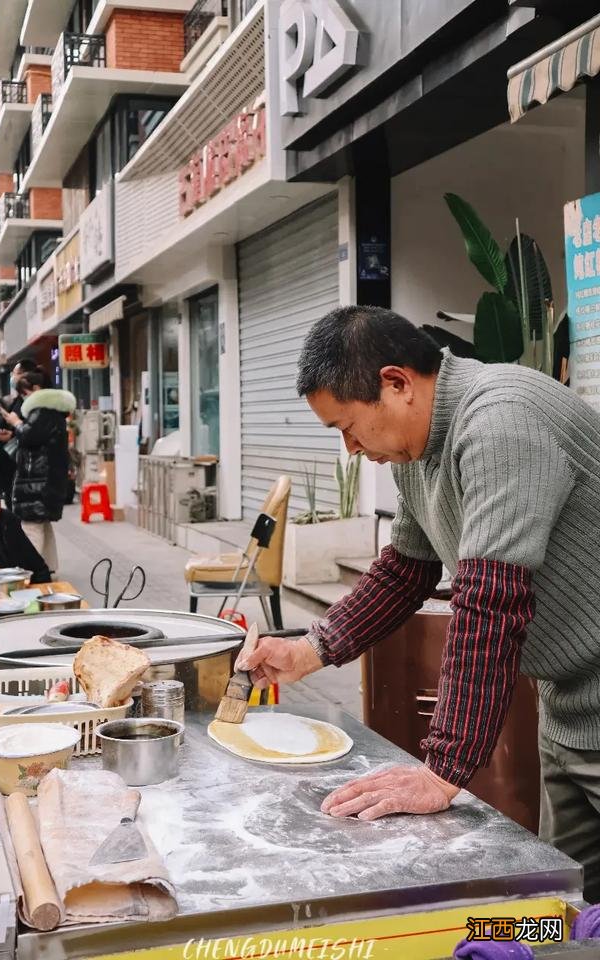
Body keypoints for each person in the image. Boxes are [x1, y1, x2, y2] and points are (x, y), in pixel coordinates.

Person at [242, 305, 600, 902]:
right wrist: (309, 650)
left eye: (347, 427)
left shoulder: (500, 422)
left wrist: (442, 771)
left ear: (397, 383)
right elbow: (407, 570)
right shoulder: (420, 449)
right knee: (565, 909)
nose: (351, 449)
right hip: (569, 708)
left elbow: (489, 602)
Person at [0, 371, 76, 574]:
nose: (24, 399)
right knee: (41, 525)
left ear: (34, 390)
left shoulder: (43, 411)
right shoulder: (53, 411)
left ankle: (31, 570)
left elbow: (29, 437)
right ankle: (48, 566)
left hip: (38, 482)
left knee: (31, 527)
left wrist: (16, 423)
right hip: (45, 480)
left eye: (24, 394)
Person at [0, 358, 38, 509]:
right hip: (8, 467)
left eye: (15, 374)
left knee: (24, 518)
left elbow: (33, 433)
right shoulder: (15, 402)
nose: (12, 378)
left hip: (22, 470)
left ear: (25, 376)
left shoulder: (33, 405)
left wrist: (13, 435)